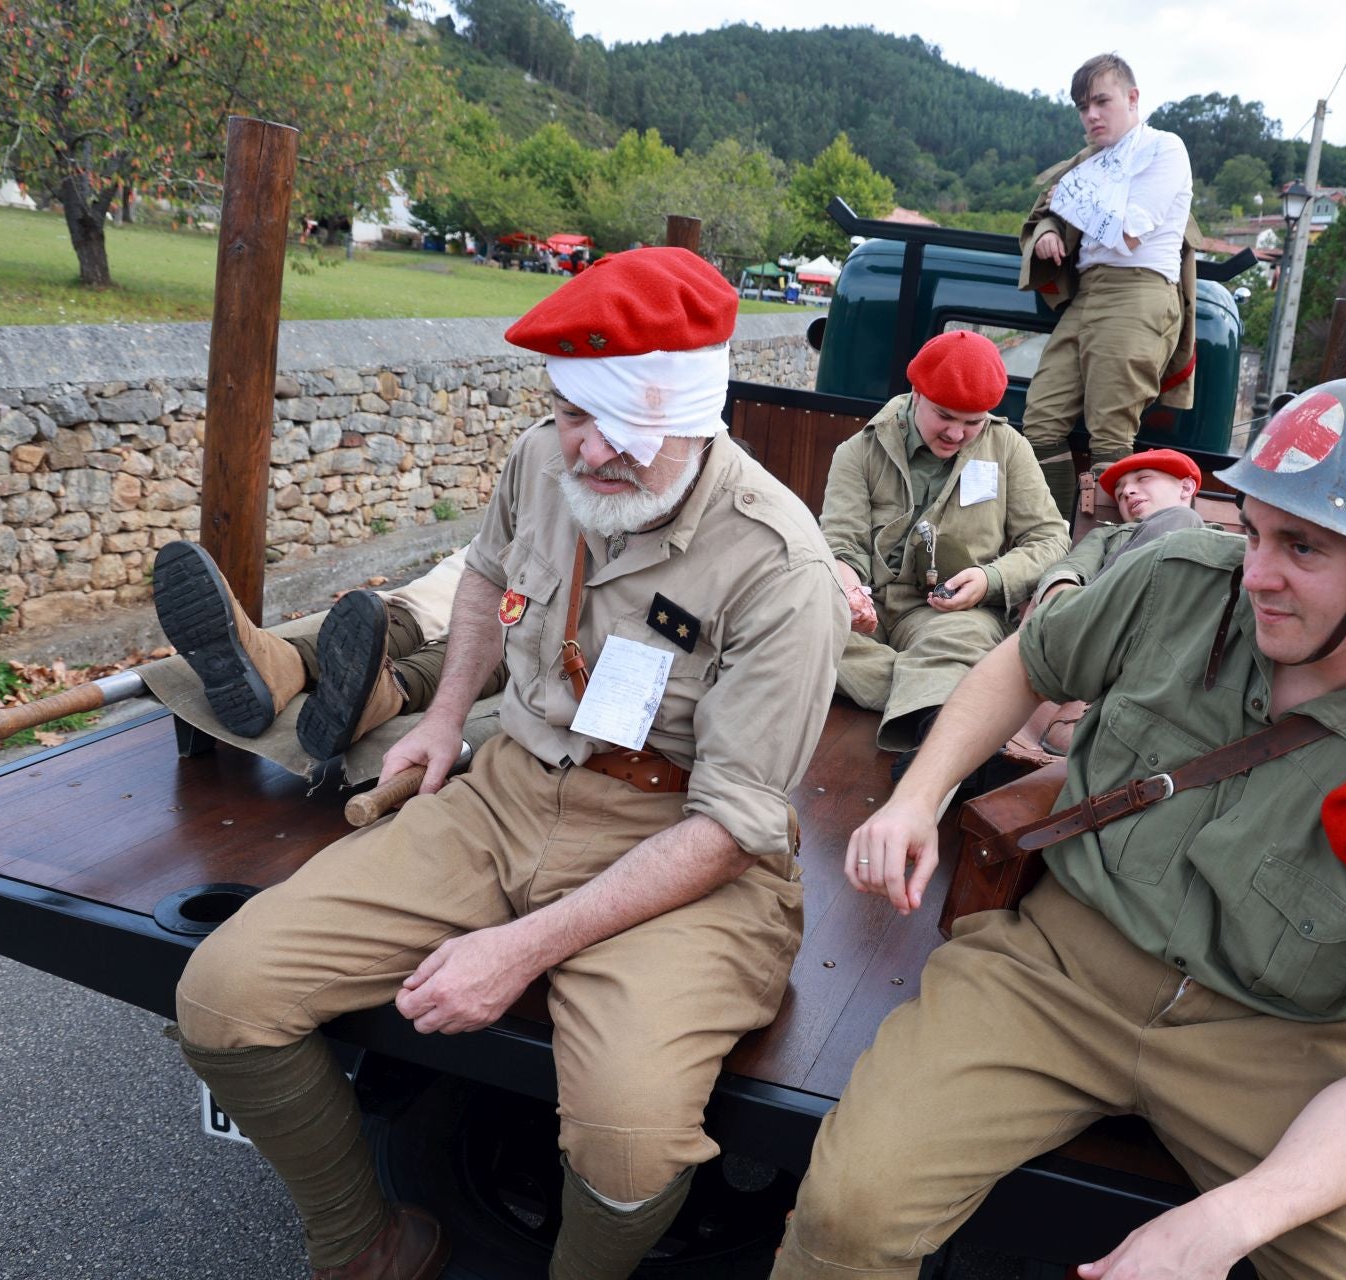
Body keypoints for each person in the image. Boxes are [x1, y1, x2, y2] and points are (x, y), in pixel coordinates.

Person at [773, 379, 1346, 1280]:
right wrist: (920, 793)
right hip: (1060, 970)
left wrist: (1229, 1221)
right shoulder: (1181, 579)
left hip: (1277, 1043)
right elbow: (1026, 662)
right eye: (1257, 530)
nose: (1257, 571)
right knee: (847, 1214)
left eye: (1302, 547)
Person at [176, 248, 849, 1280]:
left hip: (679, 850)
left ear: (693, 409)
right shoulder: (548, 458)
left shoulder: (779, 564)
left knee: (627, 1139)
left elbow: (730, 825)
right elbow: (487, 575)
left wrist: (521, 946)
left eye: (617, 425)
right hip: (506, 790)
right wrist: (445, 718)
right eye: (573, 414)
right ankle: (367, 1242)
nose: (588, 451)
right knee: (224, 995)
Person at [821, 329, 1067, 756]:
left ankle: (929, 731)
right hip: (870, 611)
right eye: (945, 416)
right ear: (917, 394)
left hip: (954, 616)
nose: (957, 434)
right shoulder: (856, 452)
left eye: (974, 422)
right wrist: (848, 593)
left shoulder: (1009, 448)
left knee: (962, 641)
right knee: (807, 627)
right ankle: (940, 698)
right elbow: (840, 544)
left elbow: (1050, 538)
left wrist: (990, 579)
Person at [1020, 54, 1197, 520]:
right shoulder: (1087, 166)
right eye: (1082, 106)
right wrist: (1049, 231)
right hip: (1089, 294)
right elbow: (1050, 213)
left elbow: (1128, 230)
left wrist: (1070, 203)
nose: (1091, 115)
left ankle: (1102, 566)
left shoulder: (1165, 149)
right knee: (1039, 423)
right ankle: (1050, 539)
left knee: (1111, 438)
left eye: (1101, 101)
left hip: (1139, 291)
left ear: (1132, 98)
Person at [151, 545, 502, 761]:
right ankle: (282, 665)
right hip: (523, 534)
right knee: (448, 588)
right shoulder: (535, 457)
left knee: (517, 628)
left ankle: (386, 689)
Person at [1027, 447, 1207, 619]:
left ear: (1185, 488)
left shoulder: (1219, 541)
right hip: (1104, 618)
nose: (1127, 492)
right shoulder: (1107, 534)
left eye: (1143, 478)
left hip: (1185, 628)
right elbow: (1074, 566)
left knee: (1183, 517)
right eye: (1119, 494)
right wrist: (1057, 595)